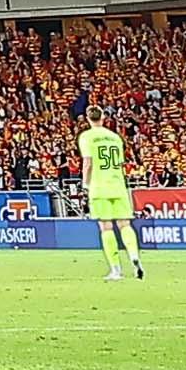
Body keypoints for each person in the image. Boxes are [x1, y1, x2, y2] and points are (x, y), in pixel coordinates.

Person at [79, 119, 144, 281]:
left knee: (106, 227)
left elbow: (88, 162)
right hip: (118, 185)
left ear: (88, 119)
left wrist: (86, 184)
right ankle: (135, 257)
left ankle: (116, 269)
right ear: (102, 118)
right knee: (125, 224)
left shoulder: (86, 136)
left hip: (99, 186)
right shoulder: (115, 137)